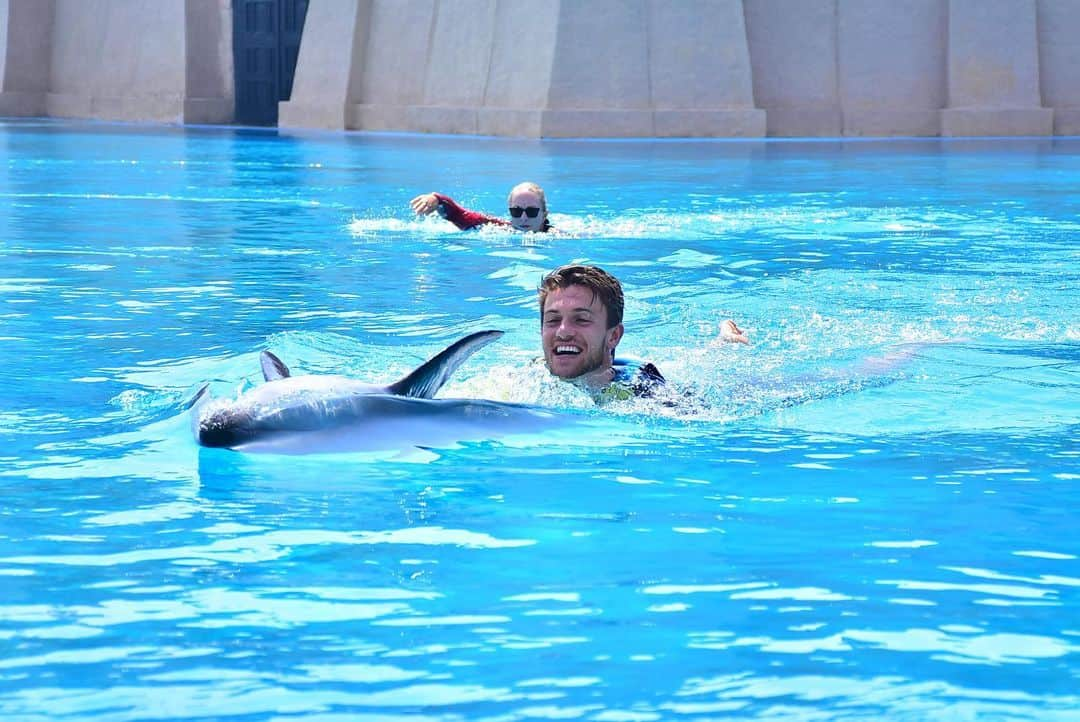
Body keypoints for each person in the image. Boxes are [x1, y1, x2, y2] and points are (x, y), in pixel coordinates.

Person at [537, 264, 748, 402]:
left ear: (613, 336)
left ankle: (725, 342)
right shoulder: (527, 380)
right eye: (553, 320)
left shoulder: (643, 393)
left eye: (581, 319)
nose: (563, 332)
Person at [410, 181, 552, 233]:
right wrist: (437, 199)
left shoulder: (557, 237)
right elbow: (459, 214)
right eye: (516, 211)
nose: (523, 217)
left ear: (544, 214)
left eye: (532, 211)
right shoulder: (499, 228)